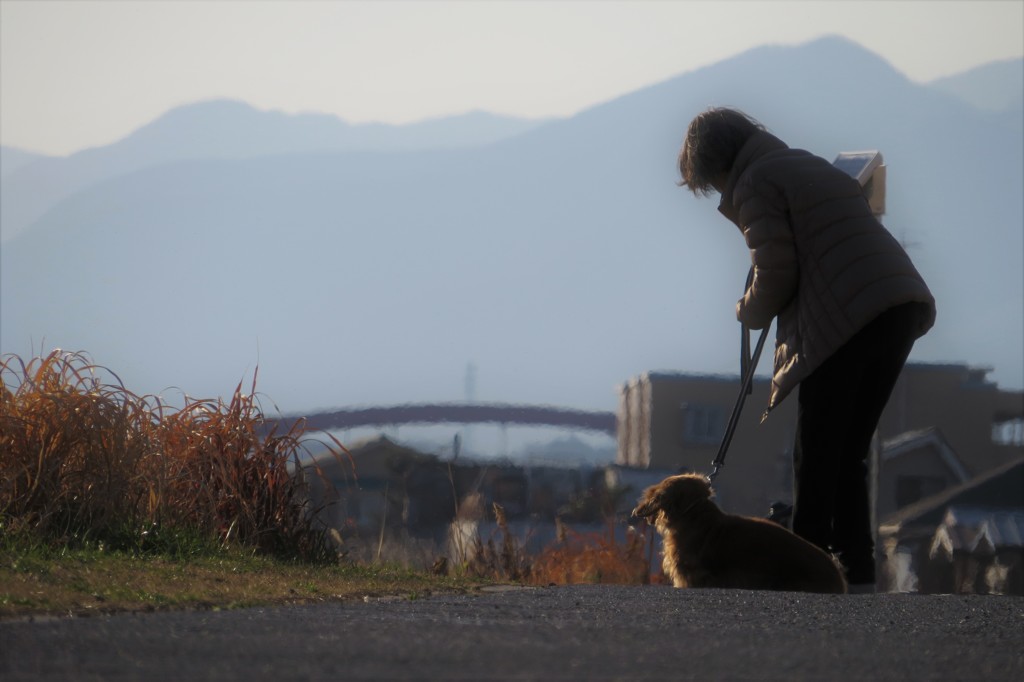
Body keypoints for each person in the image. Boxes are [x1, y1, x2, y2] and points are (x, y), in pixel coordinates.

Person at [677, 107, 936, 592]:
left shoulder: (755, 183)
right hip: (897, 304)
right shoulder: (805, 163)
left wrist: (747, 311)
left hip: (847, 315)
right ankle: (855, 573)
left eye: (710, 181)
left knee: (816, 451)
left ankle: (806, 577)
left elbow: (777, 271)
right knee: (847, 451)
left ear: (716, 165)